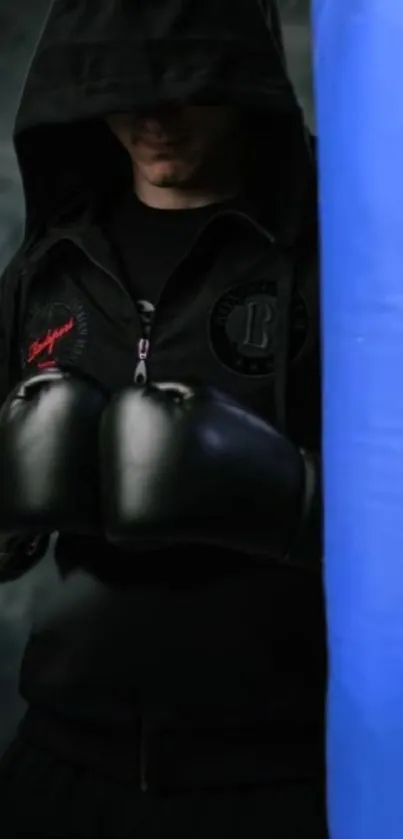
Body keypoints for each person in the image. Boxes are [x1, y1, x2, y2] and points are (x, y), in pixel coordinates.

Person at [0, 0, 326, 836]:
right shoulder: (49, 264)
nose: (154, 118)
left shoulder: (330, 254)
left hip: (269, 771)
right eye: (125, 90)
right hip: (64, 755)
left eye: (183, 88)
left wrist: (285, 500)